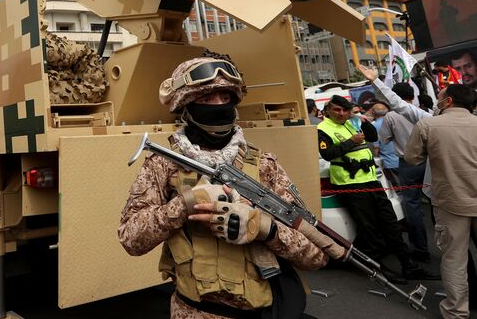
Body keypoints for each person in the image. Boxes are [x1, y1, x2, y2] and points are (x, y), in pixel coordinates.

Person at [119, 54, 328, 318]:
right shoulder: (163, 164)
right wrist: (185, 203)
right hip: (192, 311)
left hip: (261, 311)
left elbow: (315, 256)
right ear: (187, 106)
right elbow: (131, 239)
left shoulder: (264, 165)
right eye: (207, 99)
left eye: (225, 97)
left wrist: (264, 228)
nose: (218, 105)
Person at [317, 95, 436, 283]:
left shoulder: (351, 123)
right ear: (328, 110)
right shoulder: (323, 128)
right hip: (351, 185)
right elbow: (328, 153)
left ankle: (409, 266)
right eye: (337, 110)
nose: (341, 113)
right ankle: (380, 271)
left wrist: (362, 121)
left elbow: (372, 137)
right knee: (369, 229)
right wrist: (351, 142)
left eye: (345, 110)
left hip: (371, 180)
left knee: (390, 224)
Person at [405, 84, 477, 318]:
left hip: (450, 202)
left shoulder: (428, 124)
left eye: (440, 97)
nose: (437, 99)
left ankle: (456, 312)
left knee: (454, 260)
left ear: (448, 102)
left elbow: (412, 158)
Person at [372, 98, 430, 262]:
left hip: (407, 163)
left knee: (412, 205)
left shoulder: (391, 116)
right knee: (436, 203)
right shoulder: (422, 112)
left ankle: (421, 249)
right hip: (429, 162)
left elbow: (384, 139)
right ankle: (444, 247)